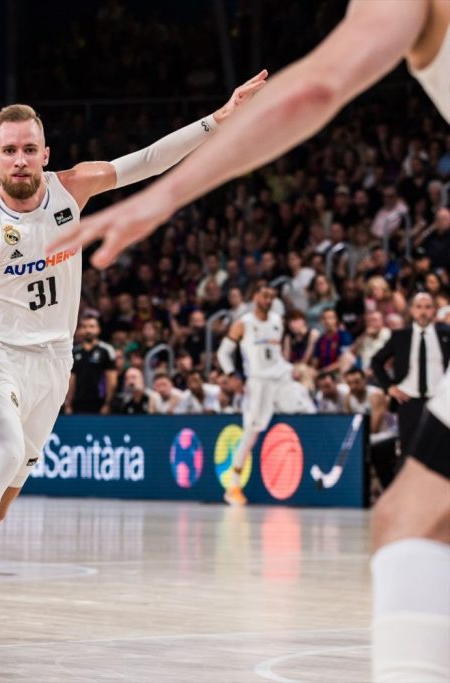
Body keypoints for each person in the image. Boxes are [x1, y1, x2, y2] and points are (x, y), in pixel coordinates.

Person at [49, 1, 450, 678]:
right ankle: (239, 479)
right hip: (257, 379)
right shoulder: (246, 320)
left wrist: (167, 195)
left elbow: (318, 86)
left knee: (412, 524)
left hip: (276, 375)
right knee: (413, 515)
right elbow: (233, 345)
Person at [0, 71, 268, 659]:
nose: (20, 160)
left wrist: (217, 120)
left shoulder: (72, 189)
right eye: (9, 151)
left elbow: (147, 161)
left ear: (44, 154)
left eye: (29, 149)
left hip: (54, 361)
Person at [215, 282, 316, 505]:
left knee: (307, 408)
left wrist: (289, 367)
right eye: (264, 296)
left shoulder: (278, 321)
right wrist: (232, 375)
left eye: (271, 296)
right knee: (251, 432)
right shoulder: (244, 324)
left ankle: (311, 474)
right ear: (254, 298)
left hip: (281, 377)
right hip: (258, 381)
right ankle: (233, 486)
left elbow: (276, 352)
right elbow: (223, 353)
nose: (268, 300)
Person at [371, 292, 450, 457]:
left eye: (428, 307)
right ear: (412, 310)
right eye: (419, 307)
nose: (423, 311)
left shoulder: (445, 334)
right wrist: (389, 387)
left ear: (434, 310)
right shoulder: (400, 336)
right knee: (409, 451)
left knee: (442, 451)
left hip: (439, 400)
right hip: (409, 400)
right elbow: (376, 361)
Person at [64, 313, 117, 415]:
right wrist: (68, 403)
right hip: (78, 403)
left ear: (98, 329)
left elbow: (111, 380)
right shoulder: (74, 352)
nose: (88, 330)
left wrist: (107, 404)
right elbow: (71, 379)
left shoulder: (106, 350)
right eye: (84, 327)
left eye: (92, 326)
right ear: (80, 330)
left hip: (99, 403)